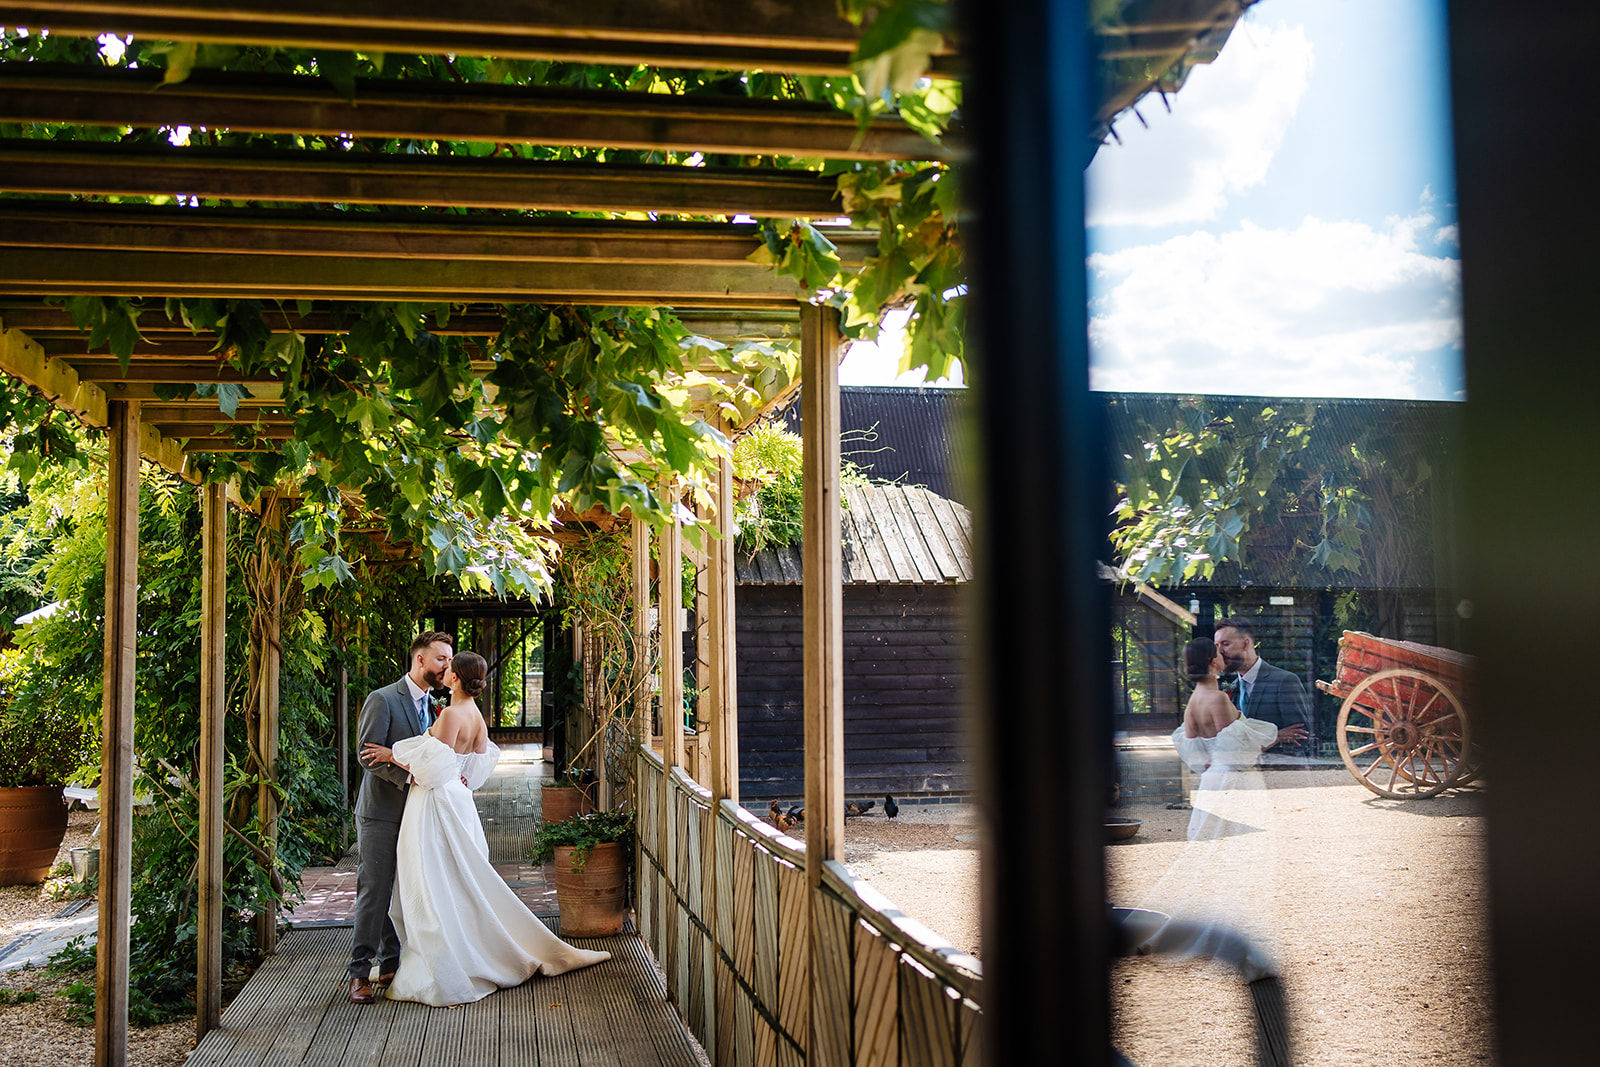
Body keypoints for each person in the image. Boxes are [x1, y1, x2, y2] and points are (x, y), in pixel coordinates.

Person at [360, 650, 610, 1007]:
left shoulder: (449, 715)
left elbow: (432, 768)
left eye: (449, 668)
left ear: (456, 679)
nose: (444, 671)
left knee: (432, 883)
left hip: (436, 803)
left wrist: (391, 755)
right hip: (460, 800)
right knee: (458, 880)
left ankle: (447, 962)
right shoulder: (477, 715)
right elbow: (473, 768)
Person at [347, 631, 454, 1005]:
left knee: (405, 891)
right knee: (375, 891)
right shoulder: (383, 699)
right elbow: (365, 753)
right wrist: (409, 775)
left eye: (450, 660)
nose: (447, 666)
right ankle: (358, 973)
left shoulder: (436, 706)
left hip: (415, 815)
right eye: (441, 658)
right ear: (420, 659)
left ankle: (391, 963)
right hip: (380, 813)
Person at [1213, 616, 1313, 762]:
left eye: (1225, 644)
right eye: (1216, 646)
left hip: (1283, 774)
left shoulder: (1284, 681)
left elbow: (1301, 736)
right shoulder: (1229, 687)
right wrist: (1277, 736)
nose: (1219, 652)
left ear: (1246, 644)